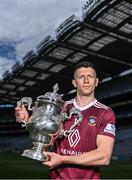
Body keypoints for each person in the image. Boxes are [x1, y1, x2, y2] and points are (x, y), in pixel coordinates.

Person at [15, 61, 116, 179]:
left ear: (96, 82)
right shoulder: (61, 108)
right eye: (81, 77)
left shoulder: (105, 112)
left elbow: (104, 156)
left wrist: (63, 159)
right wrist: (28, 121)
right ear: (74, 83)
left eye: (90, 76)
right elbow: (46, 143)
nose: (86, 81)